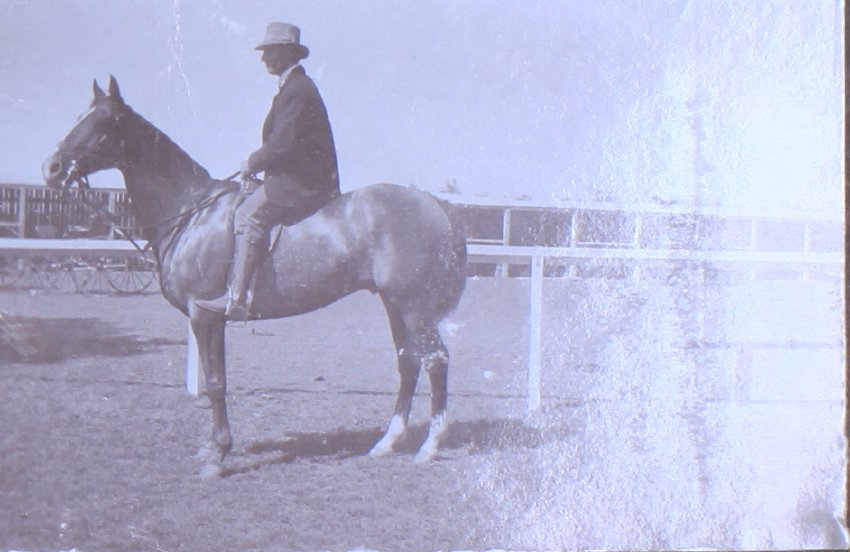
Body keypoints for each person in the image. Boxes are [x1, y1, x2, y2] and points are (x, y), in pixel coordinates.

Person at [196, 22, 340, 319]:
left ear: (287, 53)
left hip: (305, 182)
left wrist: (251, 163)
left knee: (246, 215)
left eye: (270, 52)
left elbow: (281, 145)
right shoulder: (293, 87)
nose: (264, 59)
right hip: (295, 176)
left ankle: (237, 300)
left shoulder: (298, 89)